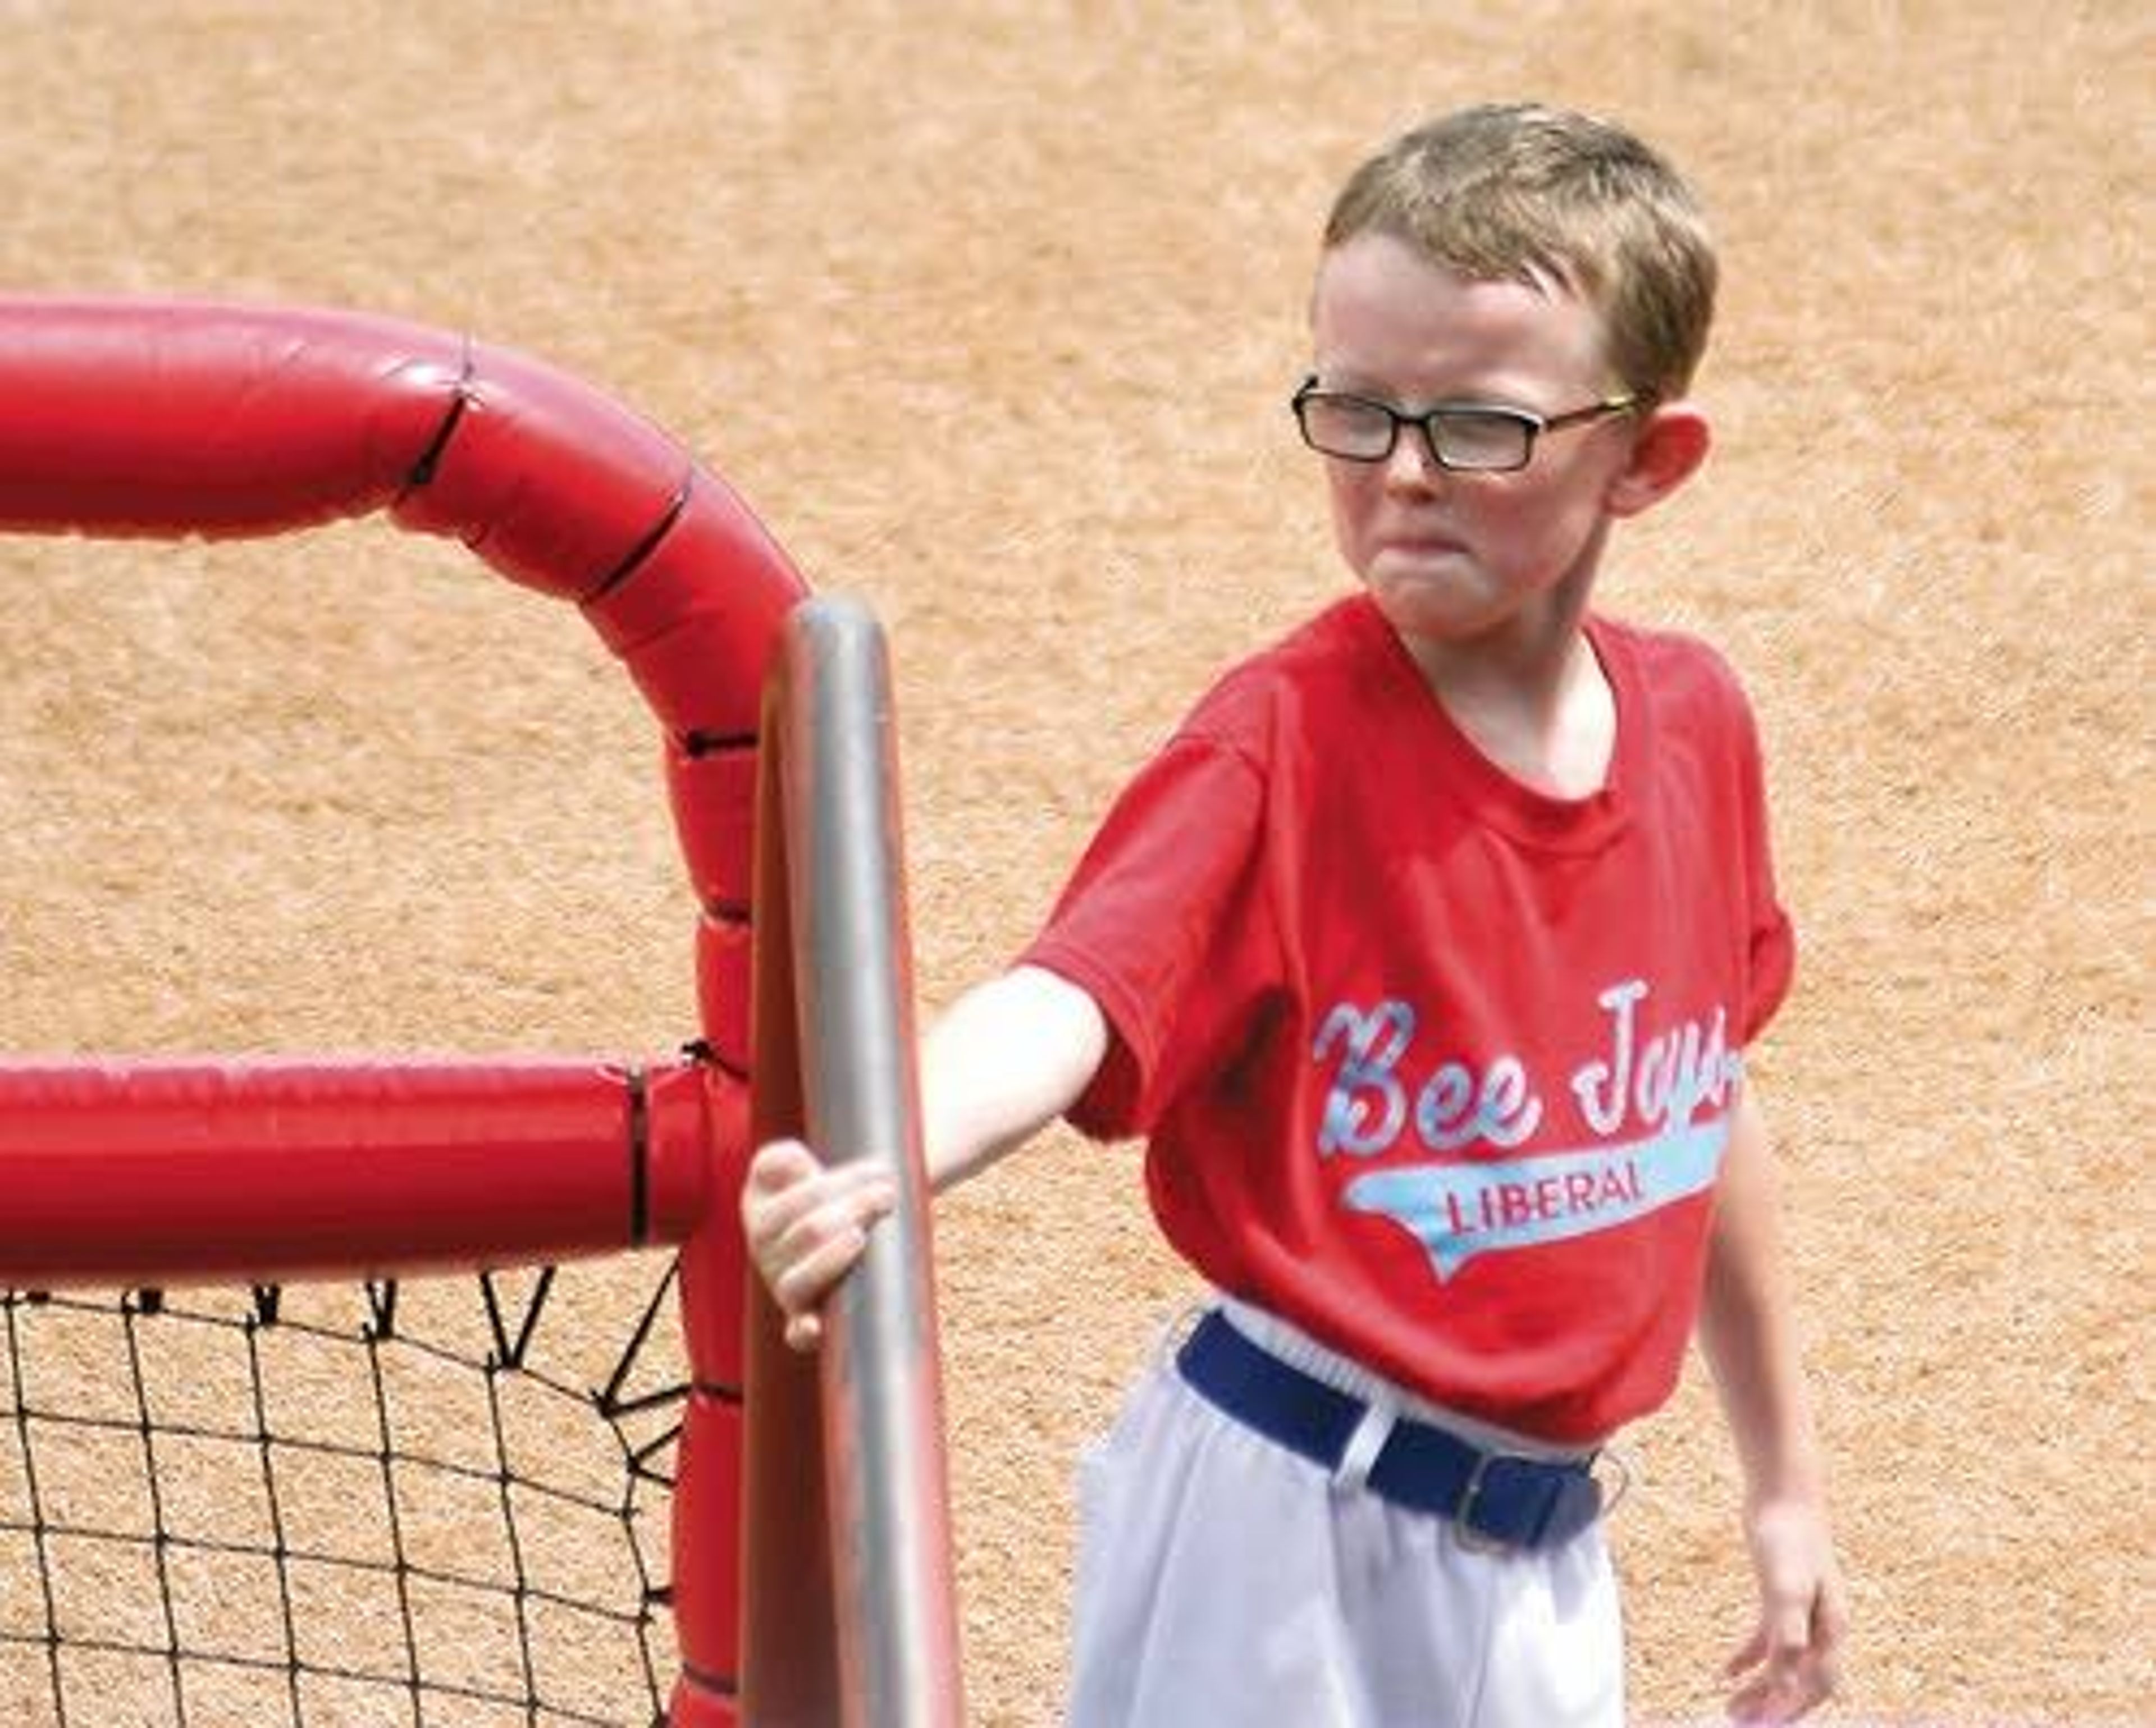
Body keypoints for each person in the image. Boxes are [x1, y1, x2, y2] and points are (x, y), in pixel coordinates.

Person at [743, 100, 1847, 1727]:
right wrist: (886, 1149)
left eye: (1478, 426)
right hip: (1281, 1537)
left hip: (1549, 1559)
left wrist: (1784, 1480)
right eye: (1356, 411)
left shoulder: (1697, 729)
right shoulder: (1284, 741)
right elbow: (1071, 997)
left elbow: (1698, 1099)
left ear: (1647, 460)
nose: (1400, 474)